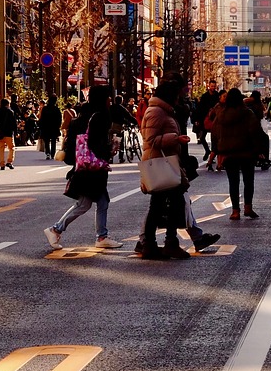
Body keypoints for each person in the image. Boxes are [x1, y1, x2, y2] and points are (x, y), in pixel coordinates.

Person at [44, 86, 123, 251]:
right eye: (108, 97)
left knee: (98, 201)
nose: (110, 100)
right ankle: (56, 229)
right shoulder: (100, 117)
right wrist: (111, 148)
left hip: (83, 167)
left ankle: (101, 235)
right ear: (102, 99)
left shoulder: (80, 117)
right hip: (93, 169)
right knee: (86, 203)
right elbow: (96, 143)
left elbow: (72, 144)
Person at [138, 78, 194, 259]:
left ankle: (161, 243)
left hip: (166, 162)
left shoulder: (163, 111)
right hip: (160, 164)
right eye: (177, 96)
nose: (179, 99)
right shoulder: (156, 112)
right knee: (161, 205)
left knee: (167, 204)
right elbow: (150, 140)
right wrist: (175, 139)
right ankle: (156, 244)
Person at [213, 88, 265, 217]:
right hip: (246, 151)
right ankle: (248, 207)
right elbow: (255, 132)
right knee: (248, 181)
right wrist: (259, 150)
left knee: (233, 182)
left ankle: (235, 211)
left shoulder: (221, 114)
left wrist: (217, 149)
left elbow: (215, 132)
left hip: (229, 152)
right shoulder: (247, 113)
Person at [0, 97, 17, 169]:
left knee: (1, 149)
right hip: (9, 133)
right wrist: (16, 132)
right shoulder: (10, 112)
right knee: (11, 148)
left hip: (0, 133)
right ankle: (9, 162)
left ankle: (2, 164)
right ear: (8, 104)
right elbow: (14, 123)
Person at [39, 94, 63, 160]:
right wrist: (58, 126)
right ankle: (53, 154)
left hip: (45, 127)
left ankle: (48, 153)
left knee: (46, 141)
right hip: (54, 127)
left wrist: (41, 126)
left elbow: (41, 118)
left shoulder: (45, 109)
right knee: (53, 141)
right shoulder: (57, 109)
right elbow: (59, 119)